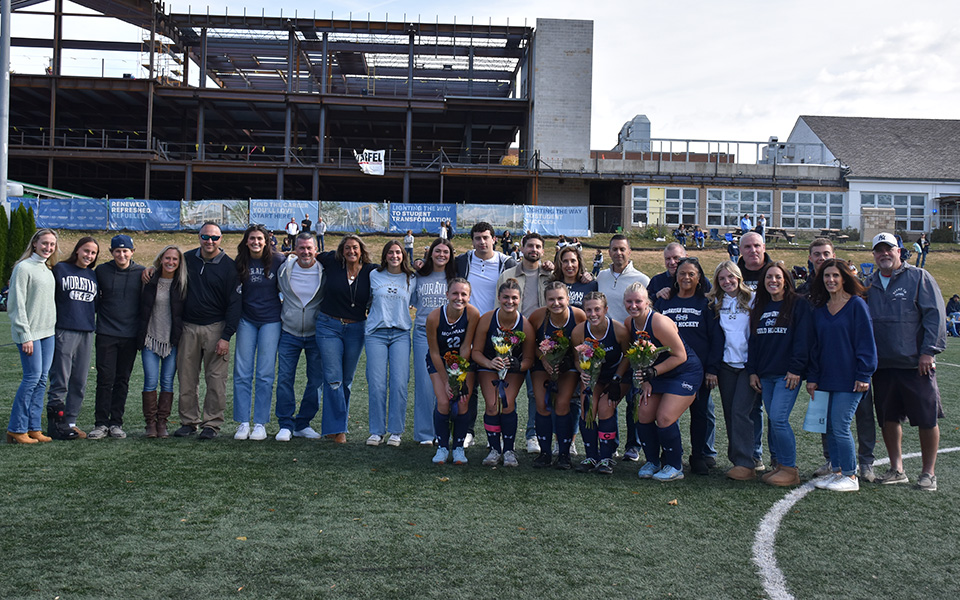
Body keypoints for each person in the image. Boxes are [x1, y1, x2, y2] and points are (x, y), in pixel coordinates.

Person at [867, 233, 946, 491]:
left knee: (926, 419)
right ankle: (896, 468)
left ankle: (928, 473)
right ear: (874, 255)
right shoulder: (869, 284)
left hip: (915, 364)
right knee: (888, 418)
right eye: (879, 251)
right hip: (883, 365)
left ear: (899, 251)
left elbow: (934, 315)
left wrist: (929, 352)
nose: (884, 254)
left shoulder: (919, 277)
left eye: (889, 249)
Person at [799, 238, 877, 481]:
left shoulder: (856, 305)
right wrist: (812, 377)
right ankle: (836, 470)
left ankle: (852, 474)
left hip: (851, 378)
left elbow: (866, 342)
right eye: (826, 277)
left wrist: (864, 374)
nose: (830, 280)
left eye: (835, 275)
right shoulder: (820, 308)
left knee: (841, 425)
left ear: (844, 277)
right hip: (826, 377)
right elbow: (815, 346)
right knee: (830, 426)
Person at [626, 283, 702, 481]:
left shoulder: (659, 322)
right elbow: (637, 358)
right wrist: (645, 381)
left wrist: (653, 372)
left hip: (684, 372)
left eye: (638, 301)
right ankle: (652, 461)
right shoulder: (629, 323)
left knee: (665, 417)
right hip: (657, 375)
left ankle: (675, 465)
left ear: (647, 302)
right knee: (643, 412)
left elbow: (680, 356)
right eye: (629, 301)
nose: (633, 306)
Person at [173, 223, 241, 440]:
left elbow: (234, 304)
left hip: (216, 328)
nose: (209, 241)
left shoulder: (229, 267)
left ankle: (211, 424)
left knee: (216, 380)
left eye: (214, 237)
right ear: (199, 237)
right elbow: (165, 270)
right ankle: (188, 421)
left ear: (221, 239)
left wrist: (226, 336)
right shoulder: (187, 259)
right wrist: (148, 271)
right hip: (188, 328)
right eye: (205, 236)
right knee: (186, 378)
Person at [654, 257, 721, 475]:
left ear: (699, 277)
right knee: (667, 414)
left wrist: (712, 368)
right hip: (668, 367)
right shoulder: (665, 301)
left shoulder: (706, 303)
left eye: (692, 274)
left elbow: (716, 338)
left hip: (697, 370)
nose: (686, 277)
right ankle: (669, 453)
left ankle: (698, 455)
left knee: (700, 413)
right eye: (682, 273)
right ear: (675, 276)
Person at [746, 262, 809, 486]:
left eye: (778, 277)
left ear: (786, 280)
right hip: (765, 373)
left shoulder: (797, 304)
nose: (773, 281)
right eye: (769, 277)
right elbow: (753, 342)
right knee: (774, 418)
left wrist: (796, 368)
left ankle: (791, 469)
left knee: (780, 419)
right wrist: (752, 371)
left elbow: (803, 339)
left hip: (787, 374)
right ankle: (781, 465)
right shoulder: (760, 307)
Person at [455, 222, 517, 446]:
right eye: (477, 238)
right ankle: (468, 431)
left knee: (501, 384)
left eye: (486, 237)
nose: (482, 242)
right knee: (468, 384)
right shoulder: (463, 261)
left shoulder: (507, 262)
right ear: (472, 240)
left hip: (498, 332)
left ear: (494, 240)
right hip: (469, 330)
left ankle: (500, 435)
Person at [316, 234, 376, 442]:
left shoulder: (371, 270)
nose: (351, 251)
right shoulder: (331, 262)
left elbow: (396, 269)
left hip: (356, 328)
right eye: (347, 248)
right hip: (328, 326)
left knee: (347, 380)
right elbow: (308, 253)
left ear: (361, 251)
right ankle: (337, 429)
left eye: (355, 248)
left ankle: (338, 424)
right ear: (342, 250)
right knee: (333, 378)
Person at [498, 232, 552, 454]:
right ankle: (502, 434)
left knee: (535, 392)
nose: (535, 250)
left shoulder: (549, 275)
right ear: (522, 247)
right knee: (504, 389)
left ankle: (532, 435)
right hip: (512, 339)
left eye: (539, 246)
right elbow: (499, 305)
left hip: (540, 340)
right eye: (531, 245)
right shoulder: (508, 274)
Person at [472, 279, 535, 467]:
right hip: (489, 364)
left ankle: (508, 450)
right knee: (492, 405)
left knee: (506, 404)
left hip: (513, 369)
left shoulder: (525, 325)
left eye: (514, 298)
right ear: (498, 298)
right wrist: (490, 362)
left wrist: (517, 364)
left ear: (520, 299)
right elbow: (476, 352)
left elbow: (529, 360)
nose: (510, 301)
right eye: (505, 297)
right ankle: (494, 449)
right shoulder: (487, 319)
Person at [707, 260, 761, 480]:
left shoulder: (753, 298)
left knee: (742, 411)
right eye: (722, 278)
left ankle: (747, 461)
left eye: (731, 277)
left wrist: (756, 366)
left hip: (748, 365)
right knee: (730, 413)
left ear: (739, 277)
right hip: (726, 366)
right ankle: (739, 460)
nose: (727, 281)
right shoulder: (714, 302)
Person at [88, 235, 145, 440]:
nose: (122, 254)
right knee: (105, 379)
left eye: (125, 251)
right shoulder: (101, 271)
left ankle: (116, 423)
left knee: (122, 380)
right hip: (106, 333)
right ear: (111, 252)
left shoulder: (142, 272)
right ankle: (101, 423)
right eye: (117, 251)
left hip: (130, 335)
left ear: (132, 251)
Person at [232, 225, 284, 441]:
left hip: (271, 321)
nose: (256, 242)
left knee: (265, 374)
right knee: (242, 372)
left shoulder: (279, 260)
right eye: (252, 238)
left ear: (267, 240)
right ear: (246, 241)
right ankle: (243, 422)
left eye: (260, 238)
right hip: (247, 320)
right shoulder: (239, 262)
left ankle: (260, 423)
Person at [6, 229, 58, 444]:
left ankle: (33, 427)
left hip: (48, 333)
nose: (48, 248)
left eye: (52, 245)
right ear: (35, 243)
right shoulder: (23, 268)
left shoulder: (47, 269)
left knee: (42, 380)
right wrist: (25, 335)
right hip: (30, 334)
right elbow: (16, 305)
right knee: (32, 378)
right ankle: (16, 429)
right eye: (44, 243)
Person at [570, 291, 631, 474]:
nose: (593, 314)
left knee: (605, 408)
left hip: (616, 376)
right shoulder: (579, 331)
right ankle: (590, 456)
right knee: (588, 408)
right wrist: (583, 372)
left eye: (597, 309)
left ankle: (606, 458)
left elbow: (628, 357)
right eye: (588, 310)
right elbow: (576, 359)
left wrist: (617, 379)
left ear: (606, 309)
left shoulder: (619, 330)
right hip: (593, 376)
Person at [45, 237, 99, 440]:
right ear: (77, 250)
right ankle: (56, 423)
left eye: (93, 253)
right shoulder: (61, 269)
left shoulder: (92, 275)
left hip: (86, 331)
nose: (89, 255)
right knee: (61, 378)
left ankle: (71, 421)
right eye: (86, 251)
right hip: (64, 330)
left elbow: (96, 305)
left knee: (79, 380)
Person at [529, 282, 586, 469]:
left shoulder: (578, 316)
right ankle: (545, 453)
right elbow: (531, 345)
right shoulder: (538, 316)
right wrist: (544, 360)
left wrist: (570, 361)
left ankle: (564, 453)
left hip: (567, 365)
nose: (556, 303)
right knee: (542, 405)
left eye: (560, 298)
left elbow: (584, 345)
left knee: (562, 405)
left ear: (568, 299)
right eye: (551, 299)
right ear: (545, 301)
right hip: (542, 364)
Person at [365, 241, 416, 447]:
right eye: (390, 253)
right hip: (376, 333)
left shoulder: (412, 278)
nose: (394, 256)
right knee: (376, 384)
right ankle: (377, 432)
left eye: (398, 252)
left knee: (399, 384)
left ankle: (396, 431)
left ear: (403, 255)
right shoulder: (373, 275)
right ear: (385, 256)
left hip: (401, 334)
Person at [274, 232, 324, 441]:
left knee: (316, 381)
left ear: (316, 249)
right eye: (301, 248)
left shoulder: (324, 271)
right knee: (285, 378)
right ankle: (285, 424)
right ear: (295, 249)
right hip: (289, 332)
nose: (305, 252)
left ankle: (303, 423)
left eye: (309, 248)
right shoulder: (284, 269)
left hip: (316, 334)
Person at [426, 278, 480, 464]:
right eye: (455, 293)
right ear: (447, 294)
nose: (459, 298)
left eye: (464, 294)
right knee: (443, 401)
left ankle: (458, 448)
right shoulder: (434, 317)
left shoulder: (472, 313)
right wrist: (447, 380)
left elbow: (466, 347)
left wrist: (459, 378)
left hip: (464, 362)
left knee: (463, 402)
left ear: (469, 297)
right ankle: (442, 447)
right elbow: (433, 352)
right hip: (440, 361)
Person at [137, 245, 186, 439]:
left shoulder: (182, 282)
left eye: (175, 259)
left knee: (167, 381)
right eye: (167, 258)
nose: (171, 262)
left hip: (172, 340)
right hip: (150, 337)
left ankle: (162, 423)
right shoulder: (150, 279)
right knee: (150, 380)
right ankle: (150, 423)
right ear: (161, 259)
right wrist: (147, 269)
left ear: (179, 262)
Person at [412, 238, 457, 445]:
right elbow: (411, 301)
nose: (441, 255)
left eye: (445, 252)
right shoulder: (419, 276)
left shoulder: (455, 278)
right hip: (422, 332)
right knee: (425, 384)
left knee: (450, 384)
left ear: (450, 255)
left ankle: (445, 432)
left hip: (449, 335)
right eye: (437, 251)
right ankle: (424, 434)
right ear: (430, 253)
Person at [598, 234, 650, 324]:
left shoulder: (643, 280)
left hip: (629, 333)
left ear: (629, 252)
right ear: (609, 252)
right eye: (615, 249)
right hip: (604, 333)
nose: (618, 253)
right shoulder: (601, 276)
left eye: (622, 249)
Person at [553, 245, 597, 309]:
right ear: (560, 264)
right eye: (565, 261)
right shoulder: (554, 285)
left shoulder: (591, 285)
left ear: (579, 262)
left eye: (573, 261)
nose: (569, 265)